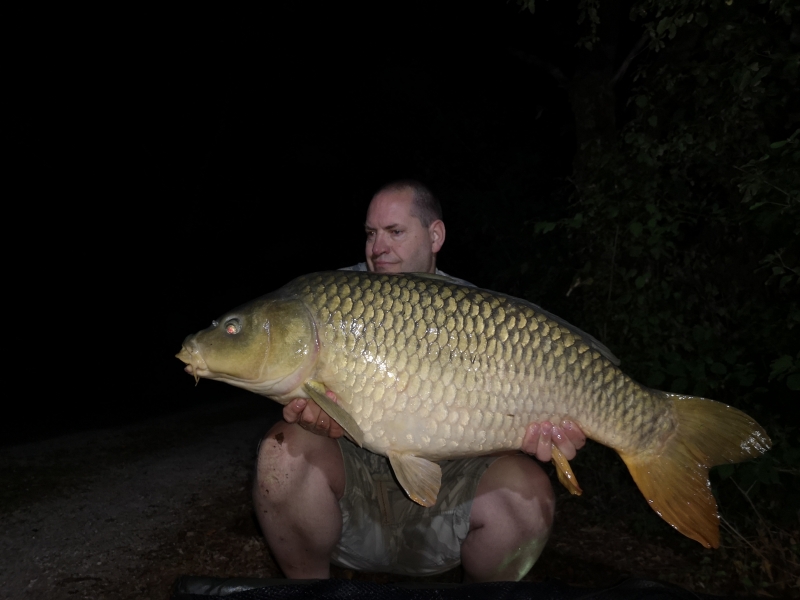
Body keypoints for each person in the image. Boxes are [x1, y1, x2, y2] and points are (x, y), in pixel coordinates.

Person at [253, 181, 586, 581]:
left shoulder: (476, 314)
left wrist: (543, 434)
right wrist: (315, 419)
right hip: (353, 482)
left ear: (435, 236)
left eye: (395, 232)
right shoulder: (331, 298)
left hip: (447, 483)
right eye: (371, 234)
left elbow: (500, 425)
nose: (378, 247)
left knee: (529, 493)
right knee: (281, 454)